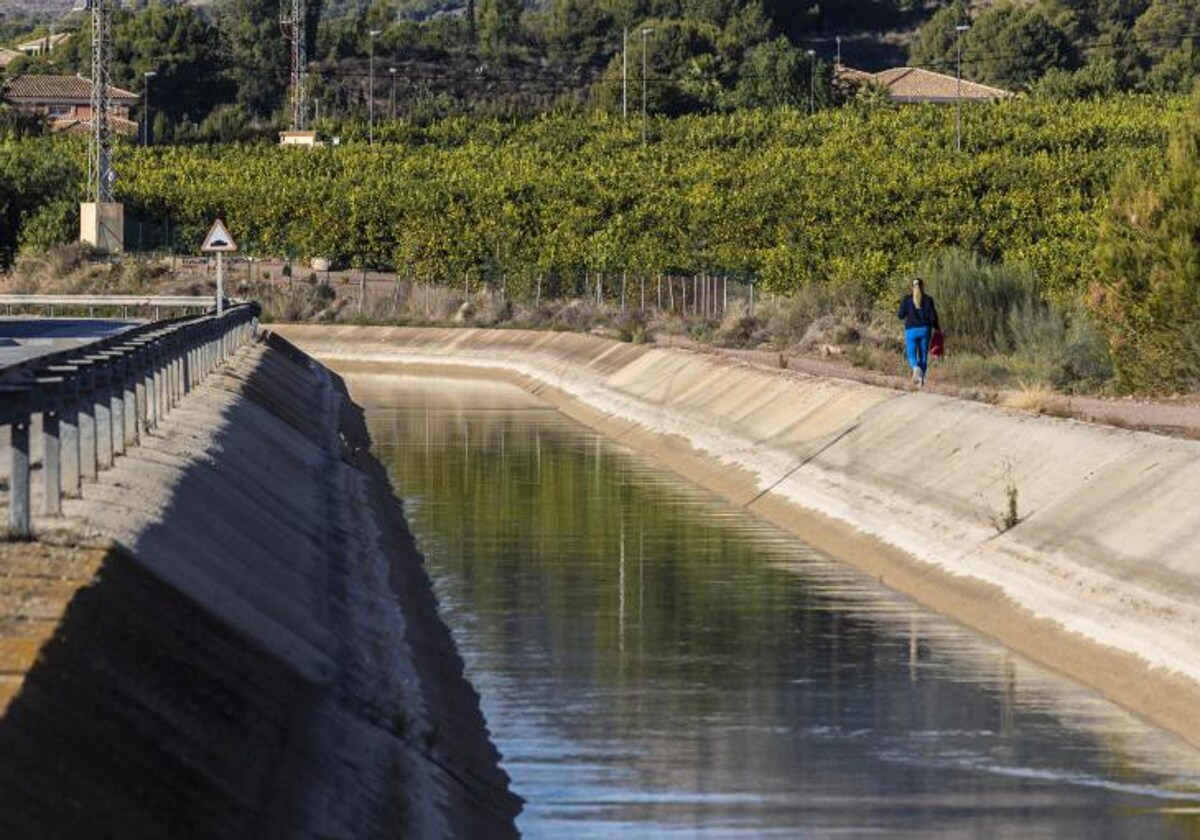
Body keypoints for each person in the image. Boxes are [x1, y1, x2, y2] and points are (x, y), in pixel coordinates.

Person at [897, 277, 940, 388]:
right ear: (923, 286)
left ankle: (915, 368)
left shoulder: (906, 299)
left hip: (911, 330)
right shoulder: (928, 299)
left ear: (912, 287)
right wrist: (937, 328)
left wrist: (903, 307)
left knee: (911, 354)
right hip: (925, 330)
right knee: (923, 356)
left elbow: (900, 315)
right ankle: (920, 379)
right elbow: (933, 317)